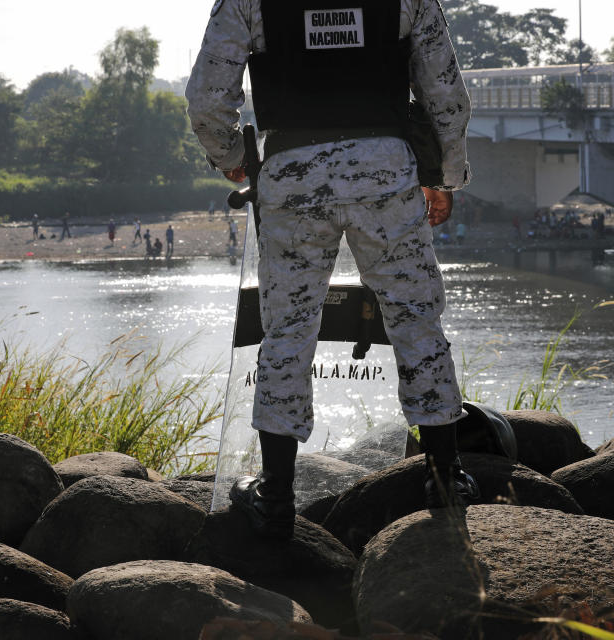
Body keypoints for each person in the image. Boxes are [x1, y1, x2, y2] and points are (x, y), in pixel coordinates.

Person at [187, 0, 476, 537]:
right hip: (386, 172)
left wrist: (232, 156)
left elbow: (206, 99)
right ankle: (443, 479)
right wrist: (443, 176)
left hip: (291, 173)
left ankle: (275, 496)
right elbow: (447, 98)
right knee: (416, 318)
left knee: (287, 329)